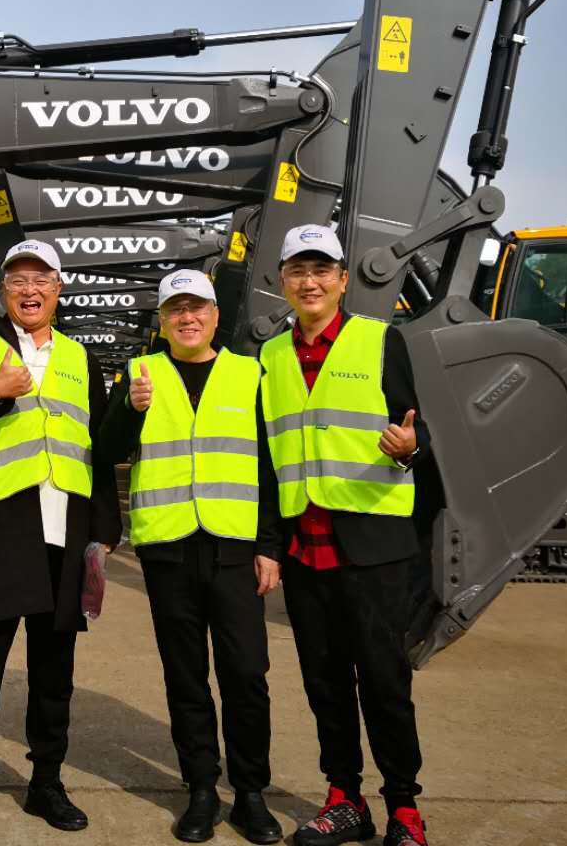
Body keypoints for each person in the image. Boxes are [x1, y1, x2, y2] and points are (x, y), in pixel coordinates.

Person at [0, 239, 121, 841]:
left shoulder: (81, 358)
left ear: (59, 289)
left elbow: (98, 447)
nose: (30, 291)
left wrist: (104, 530)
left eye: (41, 280)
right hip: (1, 526)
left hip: (67, 529)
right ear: (2, 289)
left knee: (54, 670)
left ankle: (46, 783)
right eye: (18, 281)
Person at [258, 225, 433, 846]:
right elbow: (268, 459)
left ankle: (404, 810)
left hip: (373, 547)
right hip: (306, 552)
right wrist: (269, 546)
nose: (309, 282)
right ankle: (344, 799)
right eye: (297, 271)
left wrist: (410, 448)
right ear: (283, 281)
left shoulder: (381, 340)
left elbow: (418, 430)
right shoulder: (270, 357)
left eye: (320, 270)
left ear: (340, 280)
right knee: (324, 683)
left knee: (385, 683)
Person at [98, 269, 283, 845]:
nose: (187, 317)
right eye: (175, 309)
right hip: (169, 549)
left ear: (215, 315)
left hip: (234, 547)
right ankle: (201, 788)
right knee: (186, 676)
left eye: (197, 307)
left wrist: (269, 546)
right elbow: (106, 449)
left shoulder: (251, 375)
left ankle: (250, 792)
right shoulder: (139, 374)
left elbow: (270, 465)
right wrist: (130, 409)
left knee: (246, 674)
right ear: (162, 320)